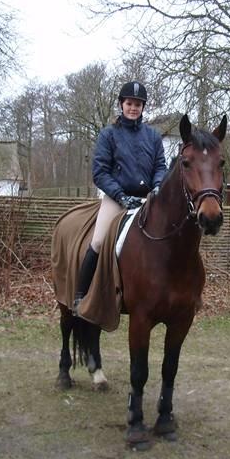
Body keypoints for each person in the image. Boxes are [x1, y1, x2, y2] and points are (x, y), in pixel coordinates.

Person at [73, 80, 168, 314]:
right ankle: (80, 296)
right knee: (97, 241)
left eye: (137, 104)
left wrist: (157, 188)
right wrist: (120, 196)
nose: (133, 108)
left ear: (143, 107)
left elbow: (160, 167)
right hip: (116, 199)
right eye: (129, 103)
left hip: (147, 200)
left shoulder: (153, 137)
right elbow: (100, 172)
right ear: (121, 105)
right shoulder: (109, 135)